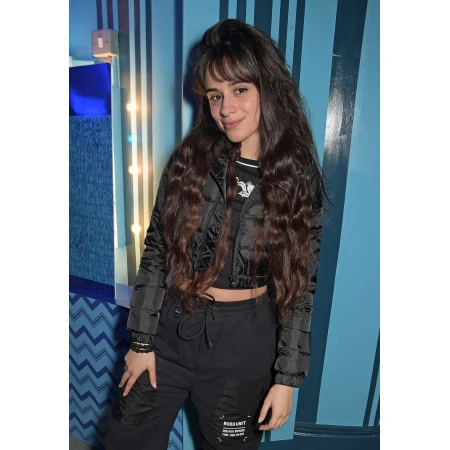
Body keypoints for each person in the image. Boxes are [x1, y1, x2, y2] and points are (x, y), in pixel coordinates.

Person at [105, 18, 326, 450]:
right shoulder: (190, 160)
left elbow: (300, 286)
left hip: (244, 343)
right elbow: (157, 251)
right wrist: (142, 341)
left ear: (267, 88)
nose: (226, 108)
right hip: (171, 328)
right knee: (125, 440)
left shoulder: (297, 180)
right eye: (214, 95)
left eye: (240, 90)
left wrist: (287, 379)